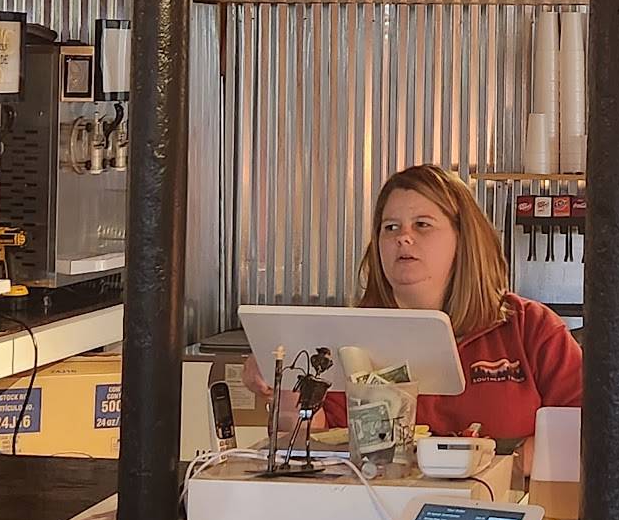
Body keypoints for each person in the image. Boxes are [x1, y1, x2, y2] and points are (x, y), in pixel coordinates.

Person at [244, 164, 581, 446]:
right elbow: (310, 442)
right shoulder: (346, 339)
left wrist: (499, 469)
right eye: (391, 228)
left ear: (464, 239)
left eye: (422, 225)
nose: (403, 237)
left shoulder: (530, 328)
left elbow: (585, 428)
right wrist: (281, 383)